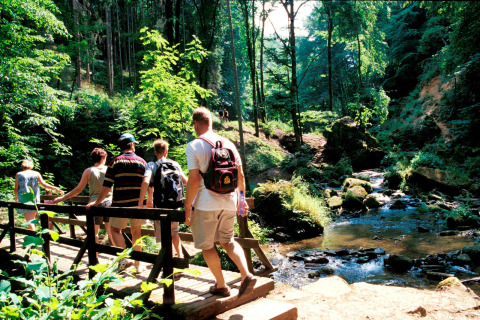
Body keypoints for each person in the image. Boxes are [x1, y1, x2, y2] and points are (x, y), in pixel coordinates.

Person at [184, 106, 256, 297]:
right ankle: (246, 274)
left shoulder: (193, 146)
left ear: (196, 124)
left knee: (207, 246)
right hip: (229, 202)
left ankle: (222, 285)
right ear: (211, 122)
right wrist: (241, 200)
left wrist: (187, 207)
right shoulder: (229, 144)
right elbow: (240, 175)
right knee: (228, 241)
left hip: (205, 204)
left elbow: (192, 180)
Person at [86, 133, 147, 271]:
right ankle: (138, 264)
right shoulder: (142, 162)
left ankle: (123, 260)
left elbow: (107, 186)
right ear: (132, 145)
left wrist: (96, 203)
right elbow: (147, 183)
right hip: (138, 204)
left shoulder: (115, 162)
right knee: (136, 232)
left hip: (120, 204)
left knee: (115, 230)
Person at [53, 148, 114, 245]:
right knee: (112, 231)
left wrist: (62, 198)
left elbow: (78, 189)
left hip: (95, 204)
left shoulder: (89, 171)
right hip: (110, 203)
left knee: (94, 233)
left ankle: (95, 256)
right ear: (103, 158)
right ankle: (120, 257)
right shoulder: (109, 170)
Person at [138, 139, 188, 258]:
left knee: (164, 234)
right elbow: (186, 181)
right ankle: (180, 257)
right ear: (166, 151)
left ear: (155, 152)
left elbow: (146, 181)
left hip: (160, 206)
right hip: (175, 205)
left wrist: (141, 202)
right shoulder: (175, 164)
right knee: (174, 232)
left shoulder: (152, 165)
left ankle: (168, 260)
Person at [14, 159, 63, 231]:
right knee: (32, 219)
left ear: (22, 165)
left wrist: (16, 199)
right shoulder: (36, 173)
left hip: (23, 198)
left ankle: (34, 235)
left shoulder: (19, 174)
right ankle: (33, 235)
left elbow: (16, 188)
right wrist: (55, 188)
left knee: (29, 220)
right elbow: (44, 184)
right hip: (34, 199)